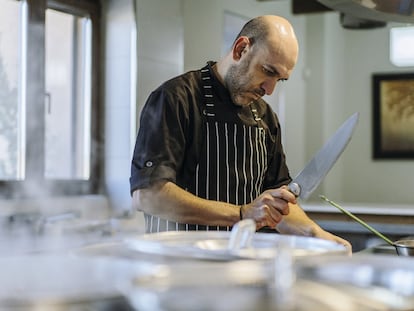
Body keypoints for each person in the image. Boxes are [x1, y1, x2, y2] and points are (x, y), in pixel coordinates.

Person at [130, 15, 352, 252]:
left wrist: (316, 235)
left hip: (241, 269)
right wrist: (241, 213)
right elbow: (148, 195)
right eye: (267, 71)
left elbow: (278, 205)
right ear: (241, 49)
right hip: (178, 267)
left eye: (280, 79)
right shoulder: (176, 99)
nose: (270, 89)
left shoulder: (265, 118)